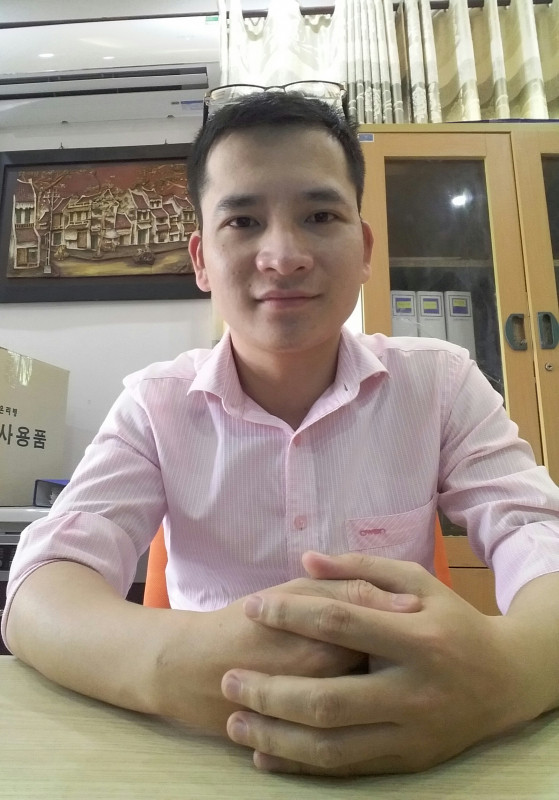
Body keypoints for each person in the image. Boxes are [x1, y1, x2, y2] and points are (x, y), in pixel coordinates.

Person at [3, 91, 559, 778]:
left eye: (319, 216)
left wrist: (509, 673)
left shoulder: (440, 382)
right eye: (242, 221)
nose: (283, 255)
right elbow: (40, 588)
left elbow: (538, 535)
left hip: (415, 744)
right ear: (201, 260)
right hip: (210, 749)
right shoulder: (155, 404)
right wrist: (168, 664)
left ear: (363, 248)